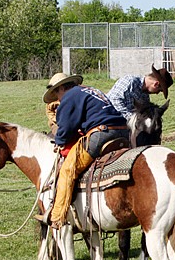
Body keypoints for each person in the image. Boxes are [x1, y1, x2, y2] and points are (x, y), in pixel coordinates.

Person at [38, 72, 130, 229]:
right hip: (122, 131)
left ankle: (57, 216)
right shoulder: (89, 90)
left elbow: (65, 132)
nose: (57, 98)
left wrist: (56, 132)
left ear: (61, 88)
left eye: (56, 93)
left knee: (68, 170)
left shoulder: (69, 96)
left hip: (101, 134)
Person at [107, 65, 173, 129]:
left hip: (127, 126)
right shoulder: (129, 81)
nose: (157, 93)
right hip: (109, 119)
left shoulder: (145, 97)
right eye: (159, 90)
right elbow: (115, 100)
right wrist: (132, 119)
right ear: (156, 84)